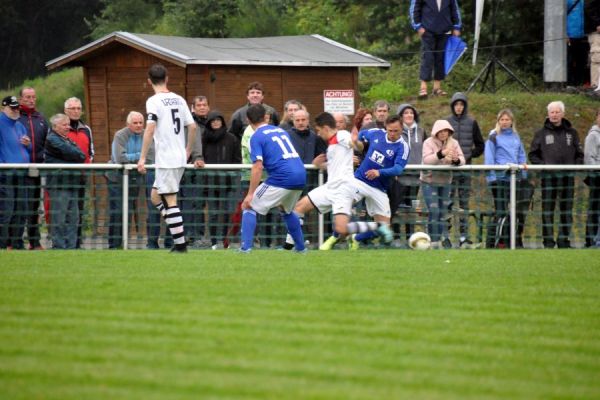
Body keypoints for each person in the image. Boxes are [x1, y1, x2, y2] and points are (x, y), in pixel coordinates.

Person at [137, 63, 198, 253]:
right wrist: (187, 149)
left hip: (167, 157)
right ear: (167, 78)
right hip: (178, 155)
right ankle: (177, 230)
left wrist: (142, 157)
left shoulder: (154, 101)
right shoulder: (179, 99)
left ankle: (180, 245)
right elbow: (193, 126)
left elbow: (150, 128)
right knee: (155, 196)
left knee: (170, 199)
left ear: (149, 81)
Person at [326, 115, 410, 250]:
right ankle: (333, 238)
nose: (393, 134)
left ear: (402, 129)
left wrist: (379, 172)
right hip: (359, 180)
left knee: (384, 227)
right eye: (390, 130)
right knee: (343, 206)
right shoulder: (376, 133)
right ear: (386, 128)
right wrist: (357, 141)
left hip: (379, 188)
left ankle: (356, 238)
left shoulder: (403, 147)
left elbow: (398, 169)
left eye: (396, 131)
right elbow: (361, 136)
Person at [239, 104, 306, 253]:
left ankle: (245, 249)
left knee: (249, 206)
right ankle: (301, 249)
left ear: (248, 119)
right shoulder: (281, 130)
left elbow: (257, 167)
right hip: (300, 174)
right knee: (286, 210)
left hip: (283, 177)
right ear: (265, 117)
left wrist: (250, 194)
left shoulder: (256, 136)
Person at [529, 101, 584, 249]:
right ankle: (548, 241)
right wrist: (543, 167)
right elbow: (533, 155)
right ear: (548, 114)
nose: (554, 115)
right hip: (548, 178)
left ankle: (563, 240)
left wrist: (575, 167)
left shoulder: (572, 133)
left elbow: (580, 154)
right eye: (552, 112)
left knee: (566, 209)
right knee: (547, 210)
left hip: (567, 177)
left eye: (557, 112)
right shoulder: (540, 134)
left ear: (563, 114)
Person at [107, 111, 160, 249]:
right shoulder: (120, 135)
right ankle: (114, 245)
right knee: (118, 210)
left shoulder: (147, 135)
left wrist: (135, 158)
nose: (138, 126)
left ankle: (128, 243)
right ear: (128, 124)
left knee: (133, 209)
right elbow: (119, 158)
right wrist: (140, 156)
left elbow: (150, 157)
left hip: (136, 176)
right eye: (135, 123)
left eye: (141, 123)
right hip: (117, 176)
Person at [484, 109, 528, 248]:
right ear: (498, 121)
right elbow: (489, 156)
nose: (504, 122)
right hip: (499, 179)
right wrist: (491, 176)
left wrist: (523, 173)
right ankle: (495, 242)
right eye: (502, 119)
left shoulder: (516, 136)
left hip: (515, 180)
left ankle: (512, 241)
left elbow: (521, 155)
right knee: (501, 212)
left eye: (507, 119)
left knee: (515, 212)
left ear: (511, 121)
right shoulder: (493, 136)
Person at [445, 92, 484, 248]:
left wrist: (468, 155)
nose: (459, 107)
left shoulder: (472, 122)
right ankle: (445, 236)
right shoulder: (446, 122)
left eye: (461, 105)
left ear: (465, 106)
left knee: (463, 204)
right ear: (453, 106)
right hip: (448, 170)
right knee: (447, 202)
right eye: (456, 105)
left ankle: (463, 237)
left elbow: (480, 145)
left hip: (465, 169)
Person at [197, 111, 241, 249]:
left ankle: (225, 241)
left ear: (222, 121)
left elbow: (237, 160)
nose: (215, 122)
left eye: (218, 120)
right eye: (213, 120)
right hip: (209, 183)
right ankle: (214, 242)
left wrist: (233, 176)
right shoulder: (203, 139)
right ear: (209, 123)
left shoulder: (231, 138)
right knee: (213, 213)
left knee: (228, 211)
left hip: (228, 183)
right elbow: (198, 156)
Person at [420, 119, 465, 249]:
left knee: (442, 212)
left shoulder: (454, 143)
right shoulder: (428, 143)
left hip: (445, 182)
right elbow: (427, 160)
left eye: (446, 131)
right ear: (436, 132)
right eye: (441, 131)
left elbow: (462, 159)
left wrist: (456, 160)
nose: (443, 133)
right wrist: (441, 154)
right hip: (429, 181)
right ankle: (434, 240)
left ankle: (441, 240)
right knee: (434, 210)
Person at [44, 114, 86, 249]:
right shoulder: (52, 139)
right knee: (59, 218)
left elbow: (81, 155)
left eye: (68, 124)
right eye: (64, 124)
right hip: (59, 184)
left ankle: (71, 247)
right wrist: (74, 156)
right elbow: (73, 154)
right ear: (55, 126)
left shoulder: (67, 139)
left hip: (72, 183)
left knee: (74, 218)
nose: (68, 127)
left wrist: (74, 156)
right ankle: (59, 247)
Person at [389, 104, 426, 247]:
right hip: (400, 176)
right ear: (401, 116)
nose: (409, 115)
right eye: (406, 113)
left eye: (411, 113)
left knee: (411, 208)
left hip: (415, 176)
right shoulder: (396, 132)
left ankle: (411, 237)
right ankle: (397, 237)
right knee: (398, 207)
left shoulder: (421, 131)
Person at [410, 0, 462, 98]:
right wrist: (418, 27)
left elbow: (455, 10)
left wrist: (456, 27)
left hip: (445, 31)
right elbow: (414, 10)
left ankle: (437, 88)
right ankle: (423, 88)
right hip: (427, 30)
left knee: (440, 58)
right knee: (428, 57)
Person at [18, 87, 48, 250]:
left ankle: (34, 242)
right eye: (28, 97)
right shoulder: (16, 118)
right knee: (18, 206)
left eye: (33, 97)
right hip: (18, 168)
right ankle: (13, 242)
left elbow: (46, 143)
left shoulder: (41, 118)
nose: (31, 100)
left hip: (36, 168)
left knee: (34, 207)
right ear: (21, 99)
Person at [0, 96, 31, 249]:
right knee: (6, 212)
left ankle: (17, 245)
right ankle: (2, 245)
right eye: (12, 108)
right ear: (3, 108)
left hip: (22, 174)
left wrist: (28, 144)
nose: (16, 110)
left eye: (17, 107)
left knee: (21, 211)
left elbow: (27, 150)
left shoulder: (20, 126)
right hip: (5, 175)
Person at [64, 97, 94, 248]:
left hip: (82, 176)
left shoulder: (86, 129)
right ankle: (65, 243)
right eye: (72, 108)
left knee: (80, 210)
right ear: (66, 111)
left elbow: (91, 152)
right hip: (65, 178)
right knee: (66, 211)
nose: (76, 111)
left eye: (78, 108)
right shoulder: (59, 128)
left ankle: (77, 243)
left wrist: (87, 167)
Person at [584, 108, 600, 247]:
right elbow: (589, 157)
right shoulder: (593, 136)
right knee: (594, 209)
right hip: (597, 177)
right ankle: (591, 240)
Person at [567, 0, 590, 87]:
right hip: (571, 35)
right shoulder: (568, 1)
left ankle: (579, 84)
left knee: (582, 61)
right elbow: (561, 17)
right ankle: (569, 84)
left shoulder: (585, 1)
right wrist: (565, 34)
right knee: (570, 60)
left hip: (583, 35)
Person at [585, 0, 600, 89]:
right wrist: (597, 24)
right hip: (596, 32)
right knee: (597, 58)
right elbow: (589, 8)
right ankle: (595, 86)